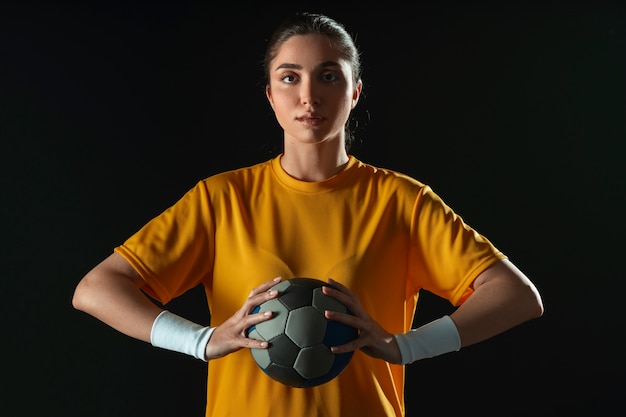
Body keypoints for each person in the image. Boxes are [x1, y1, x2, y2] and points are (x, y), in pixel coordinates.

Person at [72, 12, 544, 417]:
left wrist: (406, 347)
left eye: (329, 75)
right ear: (270, 95)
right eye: (290, 76)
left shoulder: (401, 201)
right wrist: (201, 340)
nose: (309, 97)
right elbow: (96, 289)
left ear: (355, 91)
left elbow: (517, 296)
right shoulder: (222, 199)